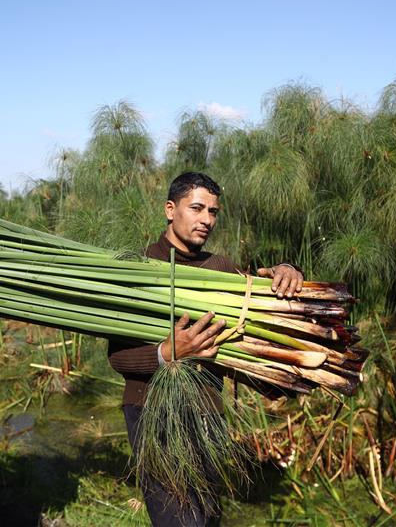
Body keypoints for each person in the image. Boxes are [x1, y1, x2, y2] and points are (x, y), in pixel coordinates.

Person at [108, 171, 303, 526]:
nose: (206, 220)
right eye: (196, 208)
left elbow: (256, 305)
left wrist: (287, 269)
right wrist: (167, 354)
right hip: (152, 412)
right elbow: (117, 357)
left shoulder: (221, 268)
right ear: (170, 209)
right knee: (175, 518)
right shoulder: (138, 267)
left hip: (207, 412)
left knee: (208, 513)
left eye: (213, 212)